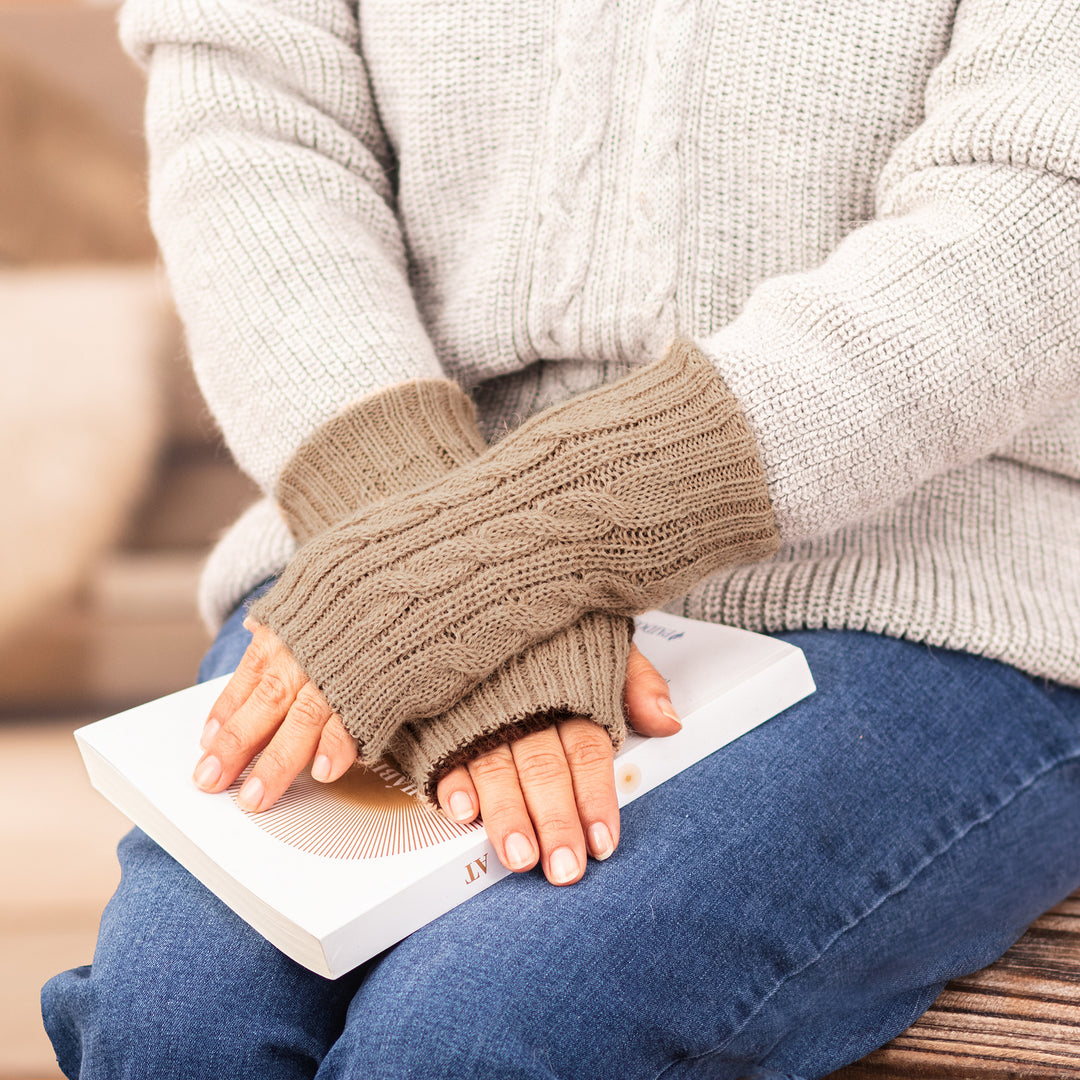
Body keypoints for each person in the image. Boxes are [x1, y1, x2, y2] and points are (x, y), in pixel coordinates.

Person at [43, 0, 1080, 1076]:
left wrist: (494, 560)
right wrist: (434, 569)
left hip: (929, 575)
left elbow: (1035, 222)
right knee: (175, 1026)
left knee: (465, 1045)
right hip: (371, 532)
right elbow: (252, 133)